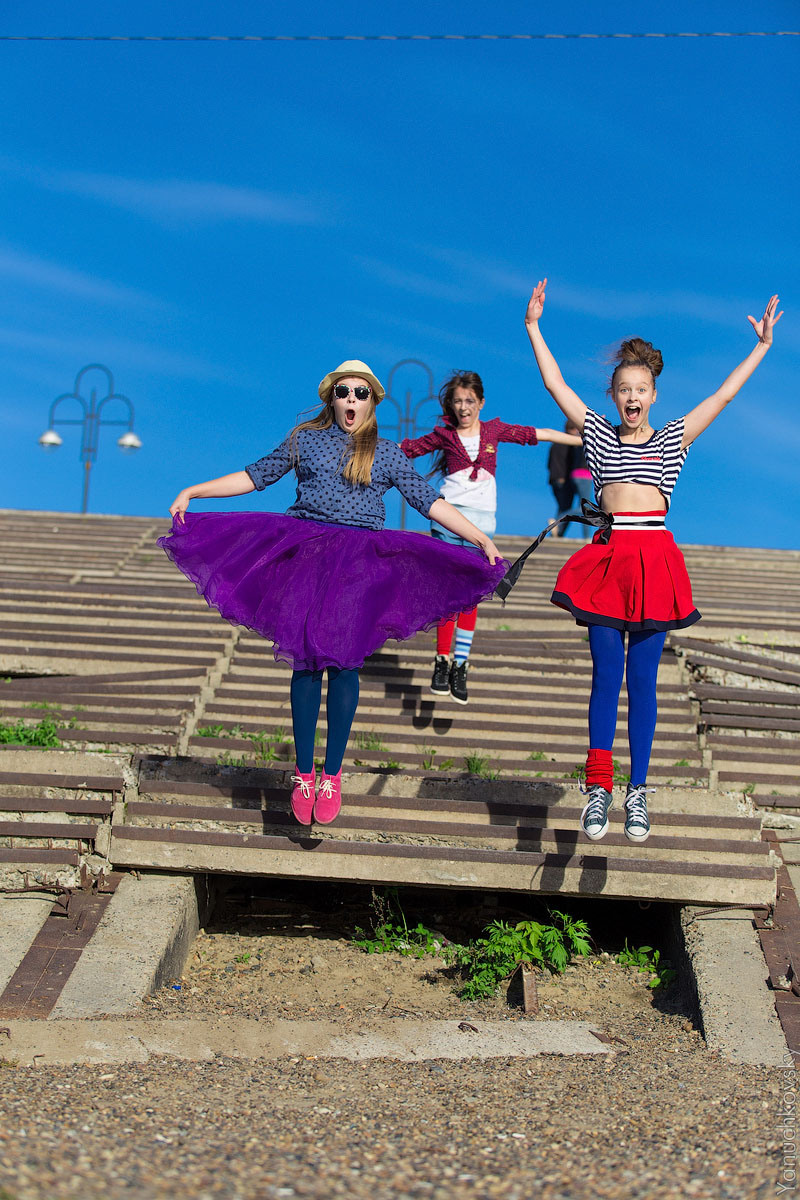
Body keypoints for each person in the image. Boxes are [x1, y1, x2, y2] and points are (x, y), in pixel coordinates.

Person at [159, 360, 507, 827]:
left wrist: (480, 538)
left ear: (372, 402)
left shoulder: (385, 453)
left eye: (361, 394)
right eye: (343, 391)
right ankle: (303, 772)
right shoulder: (305, 439)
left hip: (360, 566)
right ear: (331, 397)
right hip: (307, 556)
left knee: (344, 664)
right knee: (306, 663)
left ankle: (333, 773)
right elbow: (255, 475)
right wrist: (194, 491)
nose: (351, 400)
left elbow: (430, 501)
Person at [524, 279, 781, 843]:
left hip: (655, 562)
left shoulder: (670, 441)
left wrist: (760, 347)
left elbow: (722, 398)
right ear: (614, 396)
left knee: (643, 682)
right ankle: (599, 789)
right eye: (623, 389)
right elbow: (555, 383)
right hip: (609, 561)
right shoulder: (595, 434)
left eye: (641, 388)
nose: (632, 397)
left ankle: (637, 792)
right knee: (604, 677)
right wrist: (534, 328)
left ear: (654, 394)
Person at [401, 370, 580, 703]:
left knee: (471, 595)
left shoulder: (494, 431)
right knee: (446, 592)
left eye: (470, 401)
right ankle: (442, 659)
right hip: (447, 520)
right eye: (458, 401)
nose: (464, 407)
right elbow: (408, 449)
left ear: (481, 403)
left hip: (482, 526)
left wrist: (583, 438)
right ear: (451, 406)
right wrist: (364, 446)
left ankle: (461, 664)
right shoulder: (445, 434)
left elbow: (538, 434)